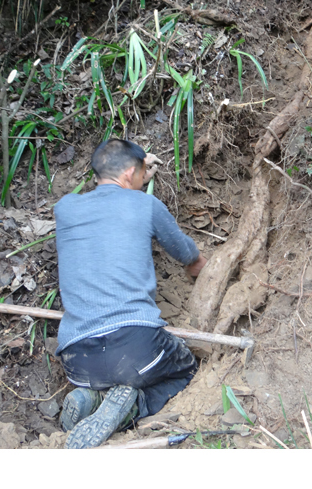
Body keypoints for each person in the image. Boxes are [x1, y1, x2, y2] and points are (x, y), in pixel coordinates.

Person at [53, 138, 207, 449]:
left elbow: (105, 199)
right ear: (128, 176)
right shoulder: (145, 204)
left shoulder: (65, 208)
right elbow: (185, 253)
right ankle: (134, 406)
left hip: (77, 361)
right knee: (186, 370)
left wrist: (133, 173)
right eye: (139, 175)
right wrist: (199, 265)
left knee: (103, 377)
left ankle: (91, 399)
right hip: (137, 349)